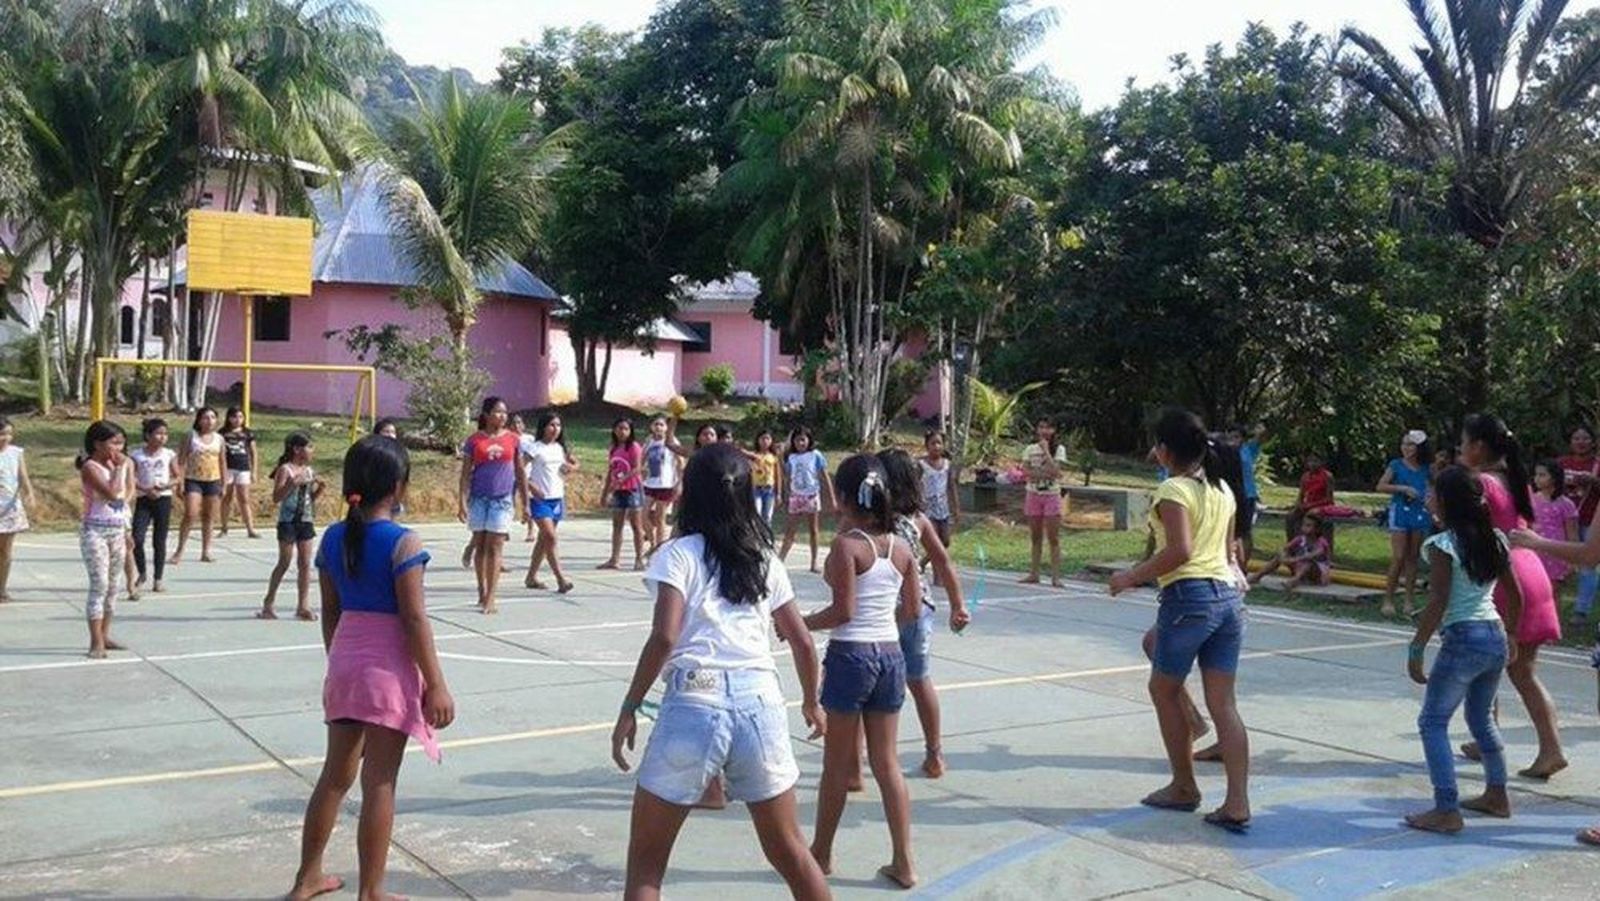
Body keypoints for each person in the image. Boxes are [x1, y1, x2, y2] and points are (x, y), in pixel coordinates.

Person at [609, 443, 829, 901]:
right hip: (761, 704)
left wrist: (631, 705)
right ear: (747, 494)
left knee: (647, 867)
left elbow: (664, 637)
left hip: (695, 701)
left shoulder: (678, 554)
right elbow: (803, 641)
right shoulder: (766, 557)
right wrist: (812, 701)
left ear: (690, 493)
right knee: (790, 851)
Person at [285, 434, 455, 901]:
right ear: (398, 486)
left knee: (334, 776)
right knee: (379, 781)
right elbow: (414, 617)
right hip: (387, 671)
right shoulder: (403, 542)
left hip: (345, 663)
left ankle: (306, 879)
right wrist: (436, 684)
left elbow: (331, 612)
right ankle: (372, 891)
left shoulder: (333, 537)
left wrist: (337, 663)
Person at [1109, 408, 1250, 834]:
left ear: (1166, 450)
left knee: (1161, 688)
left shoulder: (1172, 490)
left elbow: (1181, 551)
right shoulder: (1222, 488)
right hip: (1226, 599)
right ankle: (1237, 803)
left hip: (1189, 597)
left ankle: (1184, 786)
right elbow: (1228, 552)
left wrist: (1130, 577)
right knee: (1223, 701)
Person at [804, 454, 921, 889]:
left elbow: (842, 611)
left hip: (851, 656)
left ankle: (822, 851)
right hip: (890, 654)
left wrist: (799, 623)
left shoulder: (847, 546)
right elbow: (910, 610)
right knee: (887, 762)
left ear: (847, 497)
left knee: (836, 765)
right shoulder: (902, 546)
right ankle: (903, 860)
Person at [1403, 465, 1522, 834]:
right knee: (1481, 719)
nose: (1427, 497)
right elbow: (1515, 595)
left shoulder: (1442, 544)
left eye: (1431, 491)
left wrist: (1416, 647)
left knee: (1433, 722)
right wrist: (1512, 635)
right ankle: (1497, 795)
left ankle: (1446, 808)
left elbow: (1438, 600)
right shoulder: (1496, 539)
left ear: (1446, 501)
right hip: (1494, 636)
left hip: (1462, 638)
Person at [1458, 414, 1565, 779]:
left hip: (1506, 577)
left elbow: (1468, 533)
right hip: (1531, 570)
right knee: (1518, 670)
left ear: (1479, 446)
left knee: (1491, 666)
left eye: (1463, 441)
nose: (1459, 449)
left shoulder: (1480, 483)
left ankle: (1545, 749)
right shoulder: (1515, 479)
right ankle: (1493, 736)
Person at [879, 448, 972, 779]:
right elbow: (943, 562)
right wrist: (958, 605)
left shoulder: (873, 519)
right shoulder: (919, 520)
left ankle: (861, 757)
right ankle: (935, 754)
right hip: (920, 608)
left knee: (872, 686)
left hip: (885, 612)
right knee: (919, 681)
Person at [458, 397, 526, 614]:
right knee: (481, 546)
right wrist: (461, 501)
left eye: (505, 412)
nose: (502, 416)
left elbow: (521, 472)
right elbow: (465, 474)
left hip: (502, 499)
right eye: (497, 412)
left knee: (495, 546)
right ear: (486, 415)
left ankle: (491, 597)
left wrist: (526, 503)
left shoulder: (514, 440)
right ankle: (481, 589)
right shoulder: (474, 441)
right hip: (478, 499)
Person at [77, 420, 135, 659]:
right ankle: (95, 640)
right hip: (95, 531)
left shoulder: (121, 464)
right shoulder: (91, 467)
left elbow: (126, 495)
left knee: (114, 586)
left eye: (121, 443)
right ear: (97, 444)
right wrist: (120, 469)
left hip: (117, 528)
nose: (118, 448)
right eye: (113, 442)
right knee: (99, 584)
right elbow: (110, 494)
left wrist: (127, 529)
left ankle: (105, 633)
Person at [260, 432, 325, 621]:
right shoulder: (285, 470)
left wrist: (320, 489)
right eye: (309, 446)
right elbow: (276, 497)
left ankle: (303, 605)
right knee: (284, 562)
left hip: (305, 520)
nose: (312, 451)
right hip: (287, 521)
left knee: (305, 564)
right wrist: (291, 484)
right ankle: (268, 602)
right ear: (297, 449)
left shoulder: (309, 471)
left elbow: (308, 499)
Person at [521, 412, 578, 594]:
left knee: (544, 539)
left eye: (558, 425)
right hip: (540, 499)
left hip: (557, 497)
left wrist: (571, 468)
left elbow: (575, 463)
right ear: (543, 427)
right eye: (551, 425)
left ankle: (531, 576)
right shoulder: (534, 447)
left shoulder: (560, 448)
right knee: (551, 537)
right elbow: (519, 469)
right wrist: (531, 486)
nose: (555, 429)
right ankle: (561, 579)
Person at [1378, 430, 1433, 618]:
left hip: (1419, 512)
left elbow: (1430, 490)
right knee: (1399, 556)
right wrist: (1402, 488)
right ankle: (1388, 599)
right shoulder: (1396, 465)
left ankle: (1409, 599)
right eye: (1404, 444)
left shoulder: (1426, 468)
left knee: (1412, 557)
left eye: (1411, 444)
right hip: (1400, 511)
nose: (1406, 448)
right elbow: (1381, 485)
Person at [130, 418, 179, 595]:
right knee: (137, 537)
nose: (162, 437)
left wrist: (166, 486)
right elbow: (131, 477)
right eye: (158, 433)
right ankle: (142, 572)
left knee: (159, 540)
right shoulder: (137, 455)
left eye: (165, 434)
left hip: (163, 498)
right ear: (148, 435)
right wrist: (144, 488)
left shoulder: (168, 454)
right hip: (144, 499)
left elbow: (177, 476)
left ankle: (158, 578)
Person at [171, 406, 225, 564]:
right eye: (206, 418)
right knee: (190, 514)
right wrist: (179, 482)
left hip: (213, 480)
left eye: (213, 418)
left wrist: (224, 483)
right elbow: (181, 460)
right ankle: (179, 550)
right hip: (193, 479)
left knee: (209, 516)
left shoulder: (219, 439)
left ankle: (206, 551)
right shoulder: (191, 436)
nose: (209, 421)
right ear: (199, 420)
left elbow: (222, 461)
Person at [1559, 426, 1600, 627]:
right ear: (1571, 441)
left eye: (1585, 438)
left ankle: (1581, 611)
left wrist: (1595, 482)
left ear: (1592, 442)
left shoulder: (1597, 464)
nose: (1581, 441)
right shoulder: (1561, 463)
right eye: (1576, 437)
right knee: (1556, 565)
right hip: (1563, 521)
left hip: (1590, 521)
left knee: (1588, 566)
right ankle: (1549, 606)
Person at [1020, 419, 1068, 587]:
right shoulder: (1029, 449)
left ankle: (1056, 576)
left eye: (1048, 427)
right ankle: (1034, 573)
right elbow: (1026, 471)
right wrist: (1042, 473)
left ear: (1053, 430)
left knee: (1053, 537)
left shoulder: (1059, 449)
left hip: (1052, 495)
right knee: (1035, 536)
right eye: (1041, 427)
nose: (1044, 430)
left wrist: (1047, 452)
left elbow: (1056, 472)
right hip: (1033, 494)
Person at [779, 427, 833, 574]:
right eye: (797, 440)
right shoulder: (791, 457)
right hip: (796, 496)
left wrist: (831, 498)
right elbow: (787, 477)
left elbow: (824, 476)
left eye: (803, 439)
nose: (800, 443)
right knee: (790, 530)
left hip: (811, 496)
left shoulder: (815, 455)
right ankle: (780, 560)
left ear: (809, 440)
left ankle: (814, 562)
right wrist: (785, 495)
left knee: (813, 530)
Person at [0, 415, 38, 603]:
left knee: (6, 551)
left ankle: (2, 589)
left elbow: (22, 476)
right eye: (1, 434)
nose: (5, 438)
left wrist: (29, 493)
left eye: (9, 434)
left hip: (10, 508)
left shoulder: (15, 452)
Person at [600, 418, 647, 571]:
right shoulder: (613, 448)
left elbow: (637, 468)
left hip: (632, 489)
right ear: (614, 430)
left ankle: (639, 558)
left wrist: (622, 480)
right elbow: (610, 471)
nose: (622, 431)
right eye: (619, 428)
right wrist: (605, 492)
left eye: (626, 429)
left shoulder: (633, 447)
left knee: (636, 525)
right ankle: (614, 559)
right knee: (617, 525)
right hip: (618, 491)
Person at [1247, 513, 1331, 595]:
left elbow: (1313, 555)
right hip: (1300, 567)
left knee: (1307, 563)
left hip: (1318, 574)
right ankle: (1258, 576)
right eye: (1303, 524)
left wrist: (1293, 559)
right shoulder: (1300, 539)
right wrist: (1283, 556)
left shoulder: (1321, 542)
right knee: (1278, 557)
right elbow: (1284, 548)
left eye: (1308, 525)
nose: (1304, 528)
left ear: (1317, 529)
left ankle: (1294, 580)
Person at [1532, 461, 1581, 588]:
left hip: (1556, 552)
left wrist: (1573, 560)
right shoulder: (1531, 500)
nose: (1536, 478)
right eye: (1536, 474)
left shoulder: (1566, 504)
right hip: (1535, 551)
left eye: (1542, 475)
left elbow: (1573, 535)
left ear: (1554, 478)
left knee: (1553, 592)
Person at [641, 416, 684, 553]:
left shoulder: (671, 441)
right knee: (643, 515)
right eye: (656, 424)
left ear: (666, 428)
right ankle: (652, 542)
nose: (658, 427)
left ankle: (659, 548)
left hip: (666, 484)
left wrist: (679, 482)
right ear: (652, 426)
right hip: (650, 483)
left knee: (660, 518)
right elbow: (641, 460)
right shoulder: (649, 441)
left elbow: (680, 463)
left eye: (662, 425)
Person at [919, 431, 958, 577]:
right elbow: (916, 485)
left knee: (945, 541)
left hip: (943, 507)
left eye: (939, 443)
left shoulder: (947, 465)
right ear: (927, 446)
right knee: (935, 541)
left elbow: (951, 486)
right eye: (933, 443)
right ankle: (937, 576)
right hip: (928, 508)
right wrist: (918, 502)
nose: (936, 446)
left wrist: (956, 507)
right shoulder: (921, 465)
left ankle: (922, 562)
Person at [218, 407, 260, 539]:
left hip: (243, 468)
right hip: (227, 469)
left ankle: (250, 529)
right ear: (229, 418)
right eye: (235, 417)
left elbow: (253, 453)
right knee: (226, 498)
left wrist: (254, 471)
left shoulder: (248, 433)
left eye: (241, 417)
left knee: (244, 499)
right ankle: (224, 528)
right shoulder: (222, 433)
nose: (238, 420)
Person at [1230, 424, 1265, 564]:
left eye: (1237, 437)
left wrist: (1257, 430)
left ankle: (1244, 565)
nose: (1233, 440)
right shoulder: (1226, 451)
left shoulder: (1248, 449)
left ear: (1243, 439)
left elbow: (1261, 436)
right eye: (1231, 437)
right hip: (1230, 494)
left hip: (1247, 495)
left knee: (1245, 532)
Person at [1285, 451, 1334, 542]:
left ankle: (1314, 544)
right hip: (1308, 505)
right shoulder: (1305, 477)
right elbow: (1301, 495)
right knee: (1290, 516)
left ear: (1321, 462)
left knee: (1310, 517)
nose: (1312, 464)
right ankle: (1292, 544)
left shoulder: (1327, 476)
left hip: (1322, 506)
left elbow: (1329, 499)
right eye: (1310, 461)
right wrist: (1298, 505)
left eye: (1315, 461)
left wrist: (1311, 506)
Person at [745, 430, 783, 525]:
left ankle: (767, 538)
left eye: (767, 438)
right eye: (762, 438)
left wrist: (778, 493)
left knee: (768, 517)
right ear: (758, 440)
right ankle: (757, 537)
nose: (765, 441)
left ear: (771, 441)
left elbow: (778, 475)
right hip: (756, 490)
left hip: (769, 490)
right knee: (757, 514)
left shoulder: (773, 457)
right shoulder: (753, 455)